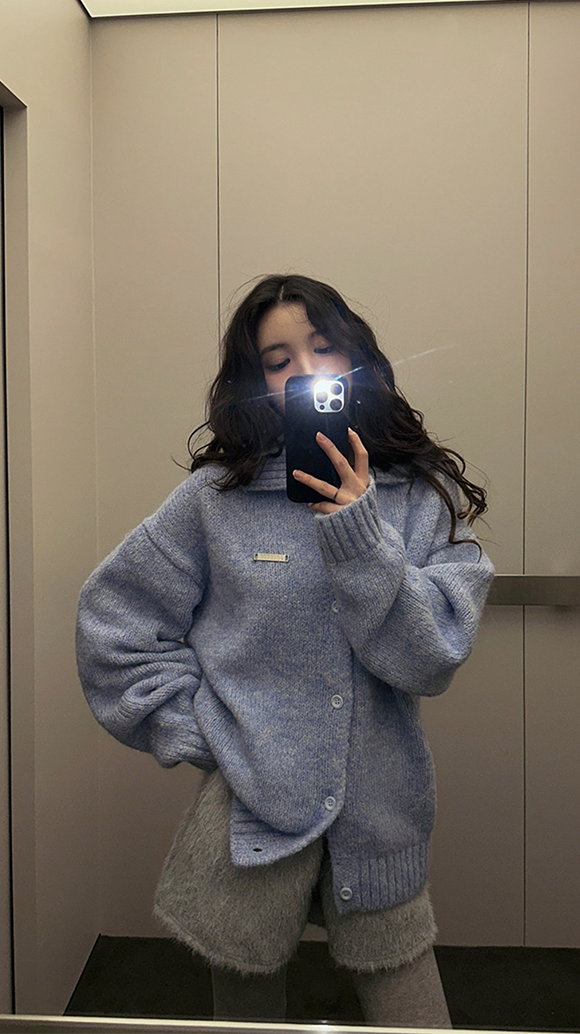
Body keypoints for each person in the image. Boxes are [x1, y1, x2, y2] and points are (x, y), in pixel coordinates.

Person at [76, 274, 494, 1026]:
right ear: (256, 381)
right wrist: (206, 732)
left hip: (380, 821)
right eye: (278, 360)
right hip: (248, 820)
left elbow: (432, 658)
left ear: (354, 359)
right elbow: (114, 622)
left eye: (322, 348)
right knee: (246, 1018)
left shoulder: (415, 496)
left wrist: (360, 534)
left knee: (415, 1017)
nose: (303, 371)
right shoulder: (216, 499)